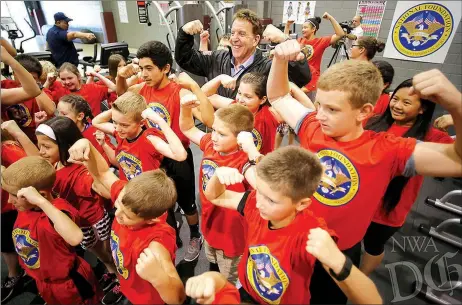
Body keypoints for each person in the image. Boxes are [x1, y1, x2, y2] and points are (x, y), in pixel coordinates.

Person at [266, 39, 462, 304]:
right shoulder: (313, 127)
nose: (320, 114)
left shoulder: (387, 149)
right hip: (295, 238)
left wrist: (456, 104)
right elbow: (278, 97)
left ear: (364, 112)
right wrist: (279, 60)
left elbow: (457, 160)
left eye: (332, 109)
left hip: (337, 252)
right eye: (320, 104)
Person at [204, 146, 383, 304]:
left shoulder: (310, 235)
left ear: (302, 204)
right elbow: (215, 196)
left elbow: (372, 300)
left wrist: (338, 262)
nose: (259, 203)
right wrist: (217, 178)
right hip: (248, 288)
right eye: (259, 192)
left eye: (271, 201)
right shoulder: (254, 203)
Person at [116, 41, 215, 261]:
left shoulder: (178, 93)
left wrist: (195, 87)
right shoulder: (142, 89)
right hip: (151, 156)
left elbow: (209, 120)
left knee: (187, 202)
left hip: (178, 157)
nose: (144, 74)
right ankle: (172, 232)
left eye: (149, 68)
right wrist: (121, 77)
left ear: (166, 68)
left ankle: (195, 236)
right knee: (161, 204)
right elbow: (122, 101)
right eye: (141, 68)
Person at [67, 138, 186, 305]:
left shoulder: (157, 241)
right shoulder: (127, 198)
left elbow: (178, 298)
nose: (117, 214)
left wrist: (159, 278)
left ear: (151, 220)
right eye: (118, 206)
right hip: (128, 285)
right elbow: (103, 172)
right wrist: (86, 143)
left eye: (127, 216)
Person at [361, 79, 455, 275]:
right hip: (361, 201)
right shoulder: (374, 122)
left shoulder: (432, 136)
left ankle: (361, 277)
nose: (396, 105)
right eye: (395, 99)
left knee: (372, 246)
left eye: (406, 102)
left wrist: (457, 113)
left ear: (422, 109)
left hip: (388, 210)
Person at [2, 156, 102, 305]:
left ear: (39, 195)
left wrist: (41, 202)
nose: (10, 201)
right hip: (43, 281)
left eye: (15, 196)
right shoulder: (25, 206)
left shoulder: (58, 212)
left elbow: (75, 237)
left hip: (69, 284)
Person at [180, 101, 257, 283]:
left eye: (221, 134)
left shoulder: (244, 161)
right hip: (209, 223)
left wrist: (252, 151)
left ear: (240, 138)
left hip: (231, 235)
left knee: (230, 280)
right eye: (213, 130)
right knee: (213, 260)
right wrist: (185, 108)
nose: (214, 136)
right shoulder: (210, 146)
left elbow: (264, 185)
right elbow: (188, 128)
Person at [175, 9, 311, 99]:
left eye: (241, 34)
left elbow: (301, 77)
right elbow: (185, 59)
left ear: (256, 40)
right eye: (233, 32)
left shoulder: (267, 68)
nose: (234, 38)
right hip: (218, 135)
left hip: (250, 138)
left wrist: (285, 40)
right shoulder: (218, 58)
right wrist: (184, 34)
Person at [92, 91, 187, 181]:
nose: (117, 128)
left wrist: (160, 121)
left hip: (148, 195)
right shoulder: (121, 134)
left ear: (141, 123)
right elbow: (96, 122)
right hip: (130, 192)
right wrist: (116, 109)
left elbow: (180, 155)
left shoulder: (150, 139)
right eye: (115, 122)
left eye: (124, 125)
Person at [201, 72, 292, 155]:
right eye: (239, 93)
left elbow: (299, 111)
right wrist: (219, 78)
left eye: (247, 97)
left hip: (257, 168)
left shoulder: (269, 114)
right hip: (235, 167)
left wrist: (290, 87)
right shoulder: (233, 106)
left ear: (263, 99)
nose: (240, 100)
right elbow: (203, 95)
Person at [287, 13, 344, 99]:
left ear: (313, 29)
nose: (303, 30)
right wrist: (287, 25)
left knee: (309, 108)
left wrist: (330, 18)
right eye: (302, 27)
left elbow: (340, 34)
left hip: (311, 81)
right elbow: (285, 42)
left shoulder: (321, 41)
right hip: (298, 79)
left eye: (305, 27)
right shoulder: (300, 41)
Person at [1, 54, 56, 143]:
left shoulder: (41, 92)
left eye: (32, 78)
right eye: (23, 77)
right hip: (10, 139)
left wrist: (36, 87)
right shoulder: (5, 85)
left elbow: (51, 110)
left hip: (35, 141)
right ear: (14, 74)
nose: (26, 81)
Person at [0, 126, 27, 303]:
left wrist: (4, 175)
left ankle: (16, 274)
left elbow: (31, 173)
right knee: (4, 244)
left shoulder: (8, 150)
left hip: (10, 207)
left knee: (14, 241)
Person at [56, 94, 117, 166]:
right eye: (58, 112)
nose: (58, 117)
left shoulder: (95, 133)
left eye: (64, 114)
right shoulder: (59, 132)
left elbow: (108, 161)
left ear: (80, 116)